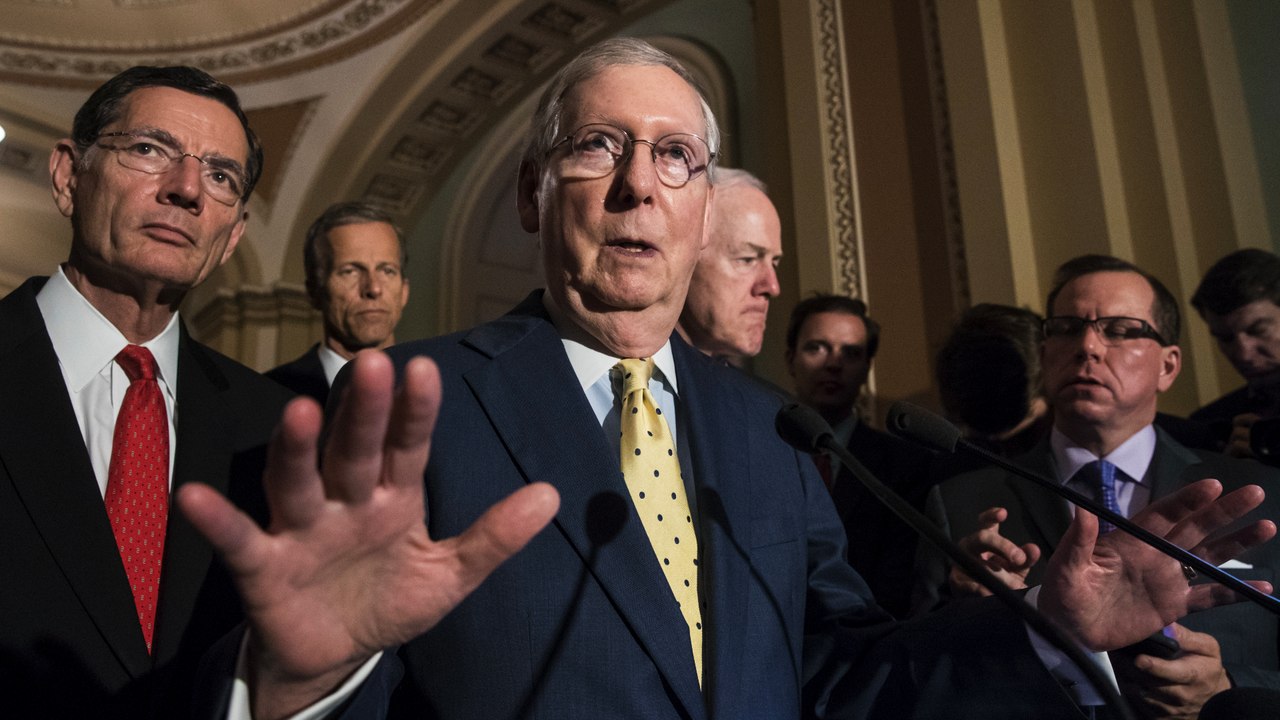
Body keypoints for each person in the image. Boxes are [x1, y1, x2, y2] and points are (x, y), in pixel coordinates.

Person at [180, 41, 1274, 720]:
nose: (634, 191)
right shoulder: (406, 405)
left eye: (673, 159)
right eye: (596, 148)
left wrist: (1043, 621)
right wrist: (296, 689)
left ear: (702, 210)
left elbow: (840, 684)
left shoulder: (772, 433)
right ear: (530, 196)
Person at [0, 66, 292, 718]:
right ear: (69, 176)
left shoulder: (277, 428)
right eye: (149, 149)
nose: (186, 189)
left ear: (233, 236)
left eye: (221, 176)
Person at [935, 254, 1280, 717]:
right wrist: (980, 618)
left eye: (1119, 330)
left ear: (1169, 366)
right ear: (1043, 354)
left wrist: (1232, 688)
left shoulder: (1261, 492)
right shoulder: (960, 503)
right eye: (1066, 328)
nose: (1088, 347)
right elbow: (909, 674)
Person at [784, 293, 934, 617]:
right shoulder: (757, 455)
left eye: (850, 353)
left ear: (867, 367)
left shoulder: (902, 464)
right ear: (790, 359)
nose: (833, 364)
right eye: (817, 348)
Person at [266, 201, 410, 405]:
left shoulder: (446, 389)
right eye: (350, 271)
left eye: (387, 271)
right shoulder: (268, 394)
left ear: (404, 291)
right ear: (314, 292)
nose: (373, 289)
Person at [677, 167, 782, 362]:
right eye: (747, 259)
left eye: (774, 263)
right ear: (684, 255)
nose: (772, 287)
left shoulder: (762, 394)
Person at [1190, 248, 1280, 460]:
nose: (1243, 354)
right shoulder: (1209, 426)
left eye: (1258, 330)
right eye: (1225, 338)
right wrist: (1229, 473)